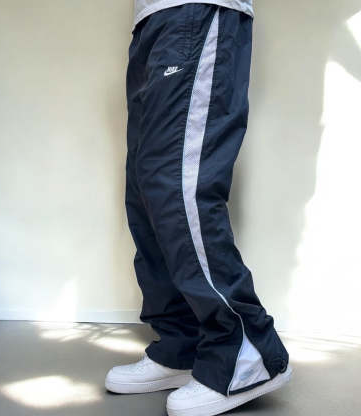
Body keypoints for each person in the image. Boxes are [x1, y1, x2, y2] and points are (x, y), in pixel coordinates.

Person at [105, 1, 292, 415]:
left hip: (196, 11)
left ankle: (246, 351)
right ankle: (183, 345)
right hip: (152, 20)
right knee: (147, 191)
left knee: (180, 185)